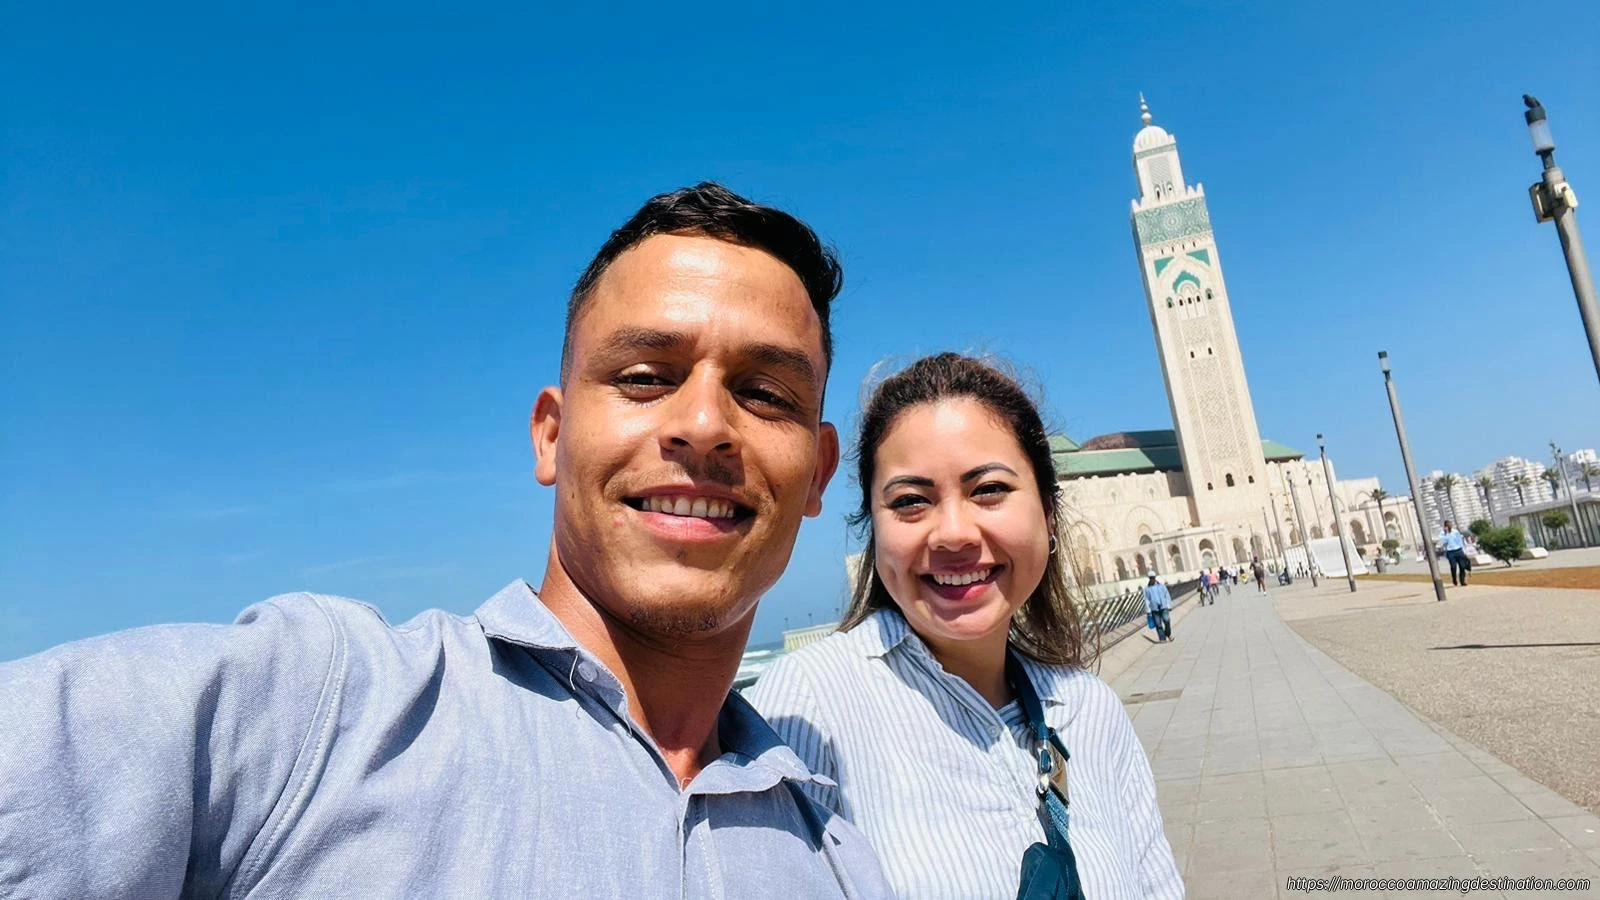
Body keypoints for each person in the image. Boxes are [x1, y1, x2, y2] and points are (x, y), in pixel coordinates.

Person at [0, 183, 892, 897]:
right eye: (644, 376)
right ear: (551, 436)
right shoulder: (324, 713)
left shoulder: (833, 853)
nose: (703, 424)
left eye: (765, 394)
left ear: (818, 474)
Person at [747, 354, 1183, 899]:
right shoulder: (811, 707)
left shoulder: (1090, 710)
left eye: (989, 490)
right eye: (911, 501)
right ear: (874, 531)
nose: (954, 534)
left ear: (1048, 513)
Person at [1144, 570, 1176, 640]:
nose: (1152, 579)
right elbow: (1146, 600)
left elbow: (1167, 595)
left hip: (1163, 607)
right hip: (1154, 609)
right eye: (1150, 578)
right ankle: (1162, 639)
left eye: (1153, 577)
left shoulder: (1161, 586)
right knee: (1158, 624)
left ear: (1155, 577)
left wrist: (1169, 605)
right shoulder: (1147, 589)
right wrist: (1148, 610)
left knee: (1167, 620)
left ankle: (1168, 634)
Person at [1441, 519, 1470, 587]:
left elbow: (1460, 541)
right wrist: (1446, 534)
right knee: (1453, 567)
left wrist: (1464, 551)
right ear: (1445, 526)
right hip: (1450, 552)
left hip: (1458, 550)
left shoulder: (1455, 532)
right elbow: (1443, 542)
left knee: (1462, 566)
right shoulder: (1443, 534)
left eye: (1450, 524)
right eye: (1448, 525)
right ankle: (1454, 579)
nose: (1449, 526)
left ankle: (1462, 581)